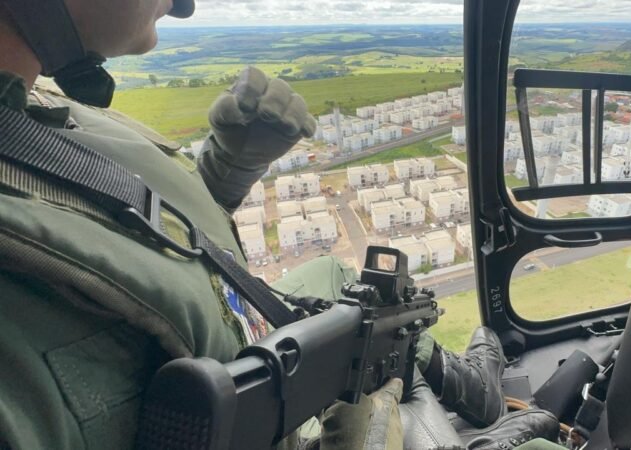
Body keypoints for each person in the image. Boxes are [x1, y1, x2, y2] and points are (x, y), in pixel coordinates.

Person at [0, 1, 558, 449]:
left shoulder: (34, 111)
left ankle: (473, 388)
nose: (186, 6)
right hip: (274, 406)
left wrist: (223, 175)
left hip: (248, 330)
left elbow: (132, 248)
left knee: (339, 279)